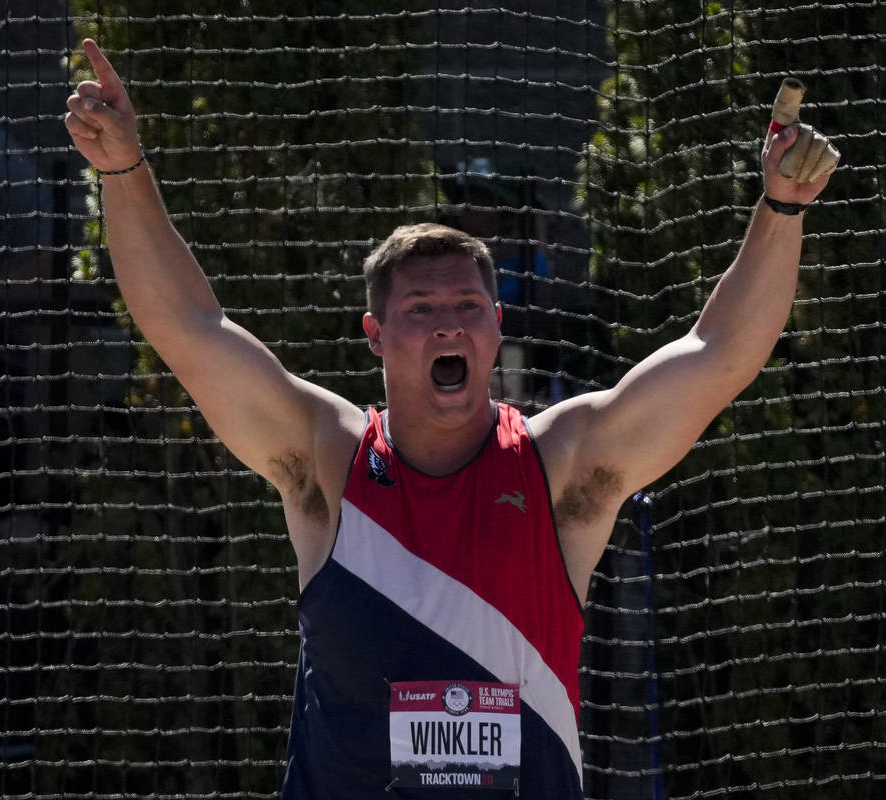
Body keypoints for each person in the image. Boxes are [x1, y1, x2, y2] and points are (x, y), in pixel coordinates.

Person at [64, 37, 831, 800]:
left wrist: (780, 210)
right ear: (376, 337)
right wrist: (123, 171)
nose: (446, 325)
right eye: (421, 308)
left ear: (496, 326)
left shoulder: (560, 467)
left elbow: (719, 354)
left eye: (466, 306)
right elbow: (190, 333)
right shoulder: (326, 459)